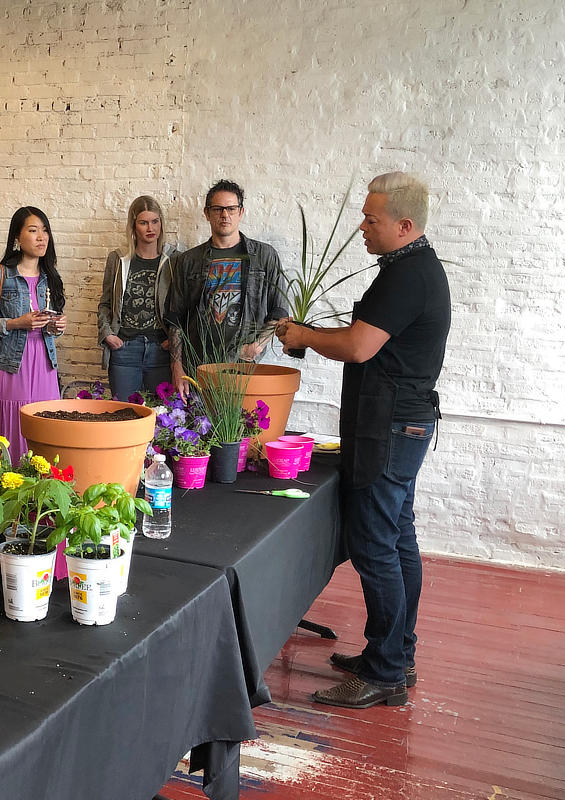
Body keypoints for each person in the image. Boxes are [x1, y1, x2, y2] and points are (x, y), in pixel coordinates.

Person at [276, 171, 450, 709]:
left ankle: (385, 671)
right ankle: (397, 652)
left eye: (371, 220)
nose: (362, 228)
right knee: (397, 536)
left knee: (376, 542)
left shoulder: (408, 276)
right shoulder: (410, 268)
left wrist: (302, 334)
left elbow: (357, 346)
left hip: (392, 426)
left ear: (404, 224)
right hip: (403, 423)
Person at [166, 180, 288, 397]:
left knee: (241, 427)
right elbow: (176, 317)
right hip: (199, 367)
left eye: (231, 208)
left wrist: (256, 346)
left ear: (241, 212)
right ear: (207, 213)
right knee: (197, 428)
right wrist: (177, 367)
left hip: (244, 366)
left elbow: (279, 310)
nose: (225, 215)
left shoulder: (264, 256)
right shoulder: (188, 261)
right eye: (218, 209)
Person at [0, 207, 67, 461]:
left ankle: (43, 485)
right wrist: (15, 323)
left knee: (45, 422)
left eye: (44, 231)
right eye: (33, 231)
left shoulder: (51, 278)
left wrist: (55, 327)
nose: (41, 237)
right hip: (12, 365)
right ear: (17, 237)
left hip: (45, 363)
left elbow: (50, 326)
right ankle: (9, 482)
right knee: (16, 421)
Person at [97, 195, 176, 400]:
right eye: (143, 222)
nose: (150, 228)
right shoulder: (118, 259)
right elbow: (105, 303)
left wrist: (173, 340)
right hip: (125, 349)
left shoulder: (173, 260)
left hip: (161, 349)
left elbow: (182, 306)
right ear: (134, 226)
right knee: (123, 415)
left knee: (162, 418)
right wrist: (107, 334)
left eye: (155, 221)